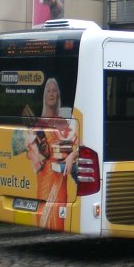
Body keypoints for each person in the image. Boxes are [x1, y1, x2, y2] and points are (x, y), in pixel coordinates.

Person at [23, 77, 78, 231]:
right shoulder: (37, 123)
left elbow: (79, 146)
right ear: (44, 95)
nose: (51, 94)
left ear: (58, 95)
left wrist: (72, 156)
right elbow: (29, 150)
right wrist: (34, 156)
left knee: (58, 220)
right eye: (48, 91)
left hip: (60, 178)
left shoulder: (64, 123)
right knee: (42, 217)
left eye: (54, 91)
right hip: (44, 177)